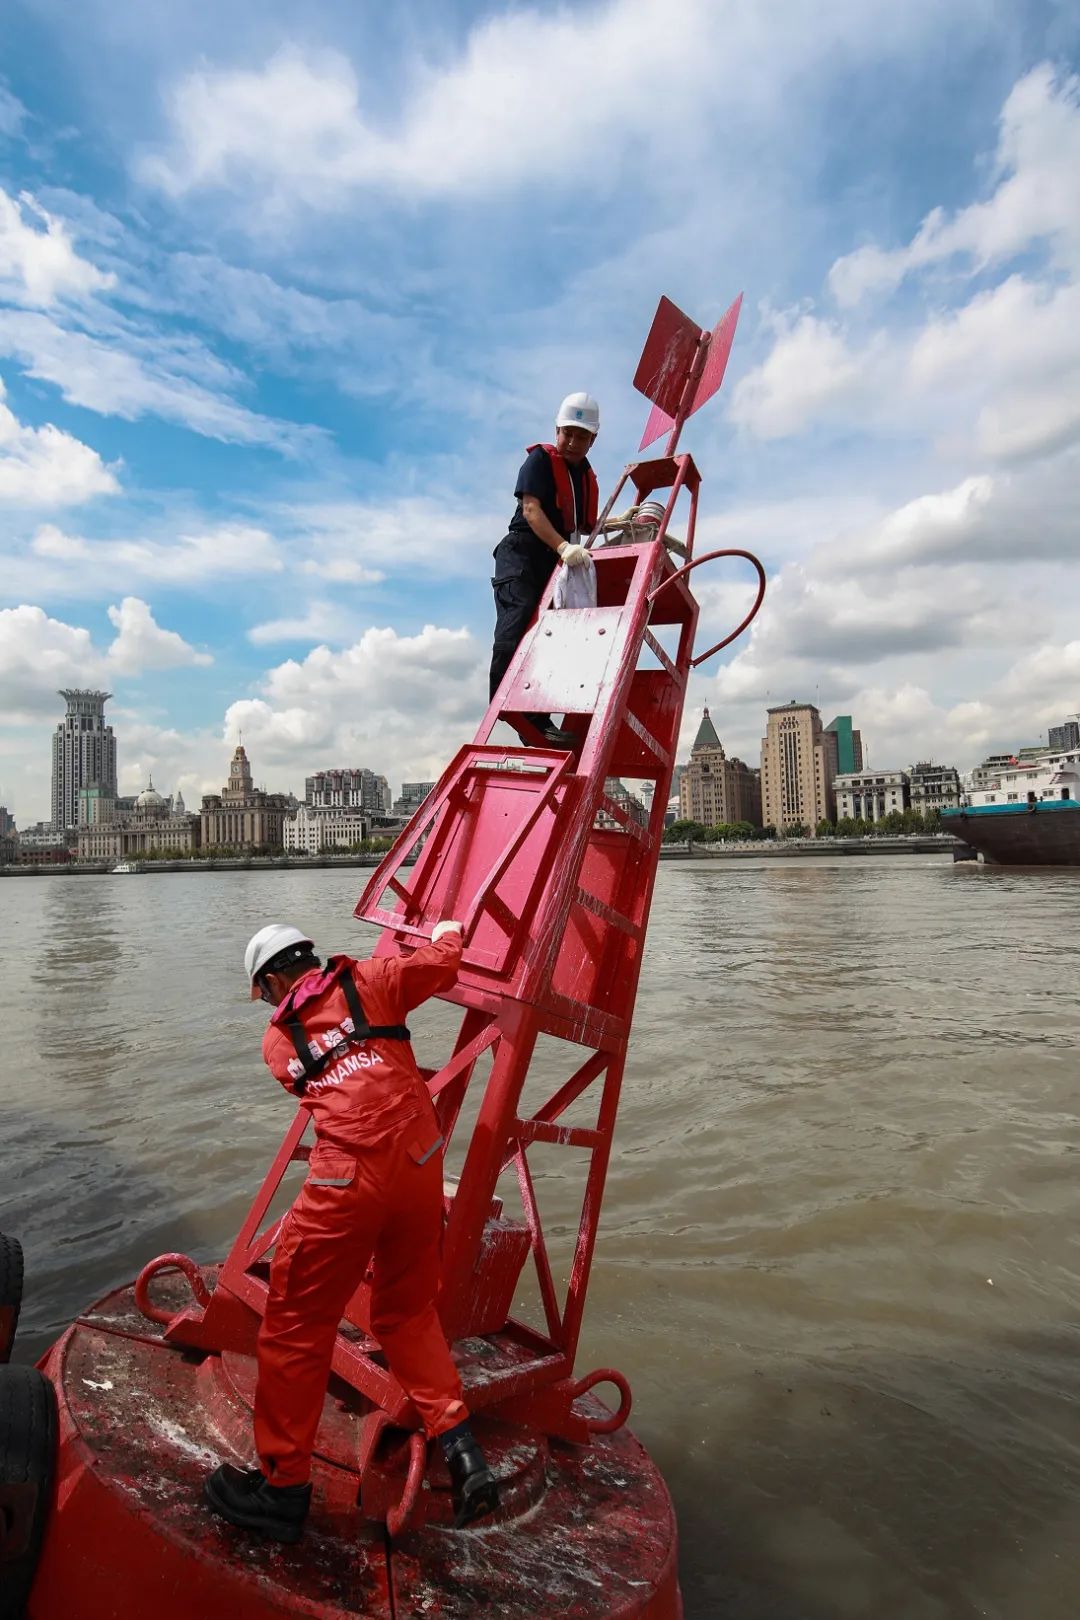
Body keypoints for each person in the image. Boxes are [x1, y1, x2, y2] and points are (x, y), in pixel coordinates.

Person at [204, 921, 499, 1543]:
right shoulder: (376, 978)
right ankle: (464, 1450)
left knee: (295, 1326)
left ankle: (283, 1489)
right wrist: (446, 930)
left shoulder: (277, 1044)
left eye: (264, 991)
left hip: (346, 1183)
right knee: (408, 1314)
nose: (266, 1002)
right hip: (421, 1161)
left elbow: (319, 1088)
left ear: (275, 979)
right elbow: (445, 961)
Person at [489, 392, 600, 748]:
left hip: (550, 561)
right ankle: (507, 705)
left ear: (592, 440)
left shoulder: (581, 476)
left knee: (548, 636)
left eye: (581, 435)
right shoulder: (540, 460)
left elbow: (585, 523)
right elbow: (532, 511)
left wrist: (620, 522)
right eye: (567, 432)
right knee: (516, 622)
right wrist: (564, 547)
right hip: (521, 555)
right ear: (557, 430)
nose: (572, 441)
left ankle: (536, 718)